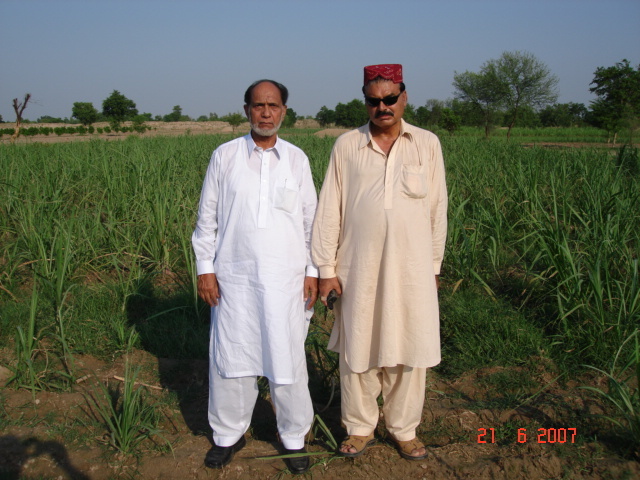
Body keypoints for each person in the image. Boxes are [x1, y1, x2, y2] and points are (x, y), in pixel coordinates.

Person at [311, 64, 447, 460]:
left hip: (412, 269)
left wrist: (434, 266)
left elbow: (438, 210)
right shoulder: (346, 146)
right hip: (358, 267)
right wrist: (326, 270)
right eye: (374, 101)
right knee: (358, 348)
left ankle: (405, 430)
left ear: (404, 98)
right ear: (365, 102)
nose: (382, 107)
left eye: (390, 99)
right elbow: (329, 210)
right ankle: (359, 428)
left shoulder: (426, 144)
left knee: (410, 347)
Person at [192, 79, 318, 474]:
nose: (266, 112)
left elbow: (311, 222)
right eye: (258, 105)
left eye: (273, 105)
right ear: (246, 109)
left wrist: (313, 271)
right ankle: (228, 436)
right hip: (235, 279)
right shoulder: (224, 156)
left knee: (288, 358)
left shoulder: (296, 159)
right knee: (232, 357)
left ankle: (293, 437)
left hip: (285, 281)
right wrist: (205, 269)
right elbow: (206, 220)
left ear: (284, 111)